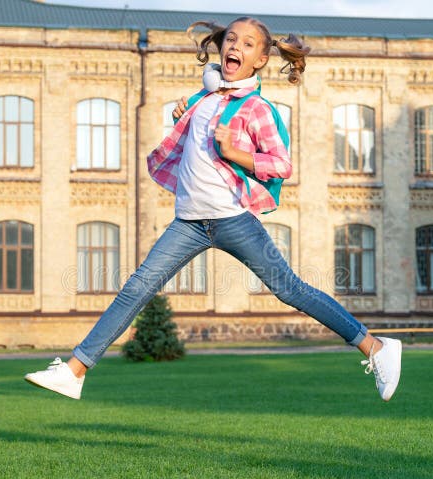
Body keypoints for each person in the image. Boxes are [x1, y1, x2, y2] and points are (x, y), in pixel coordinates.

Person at [25, 16, 402, 401]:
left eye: (248, 44)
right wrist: (182, 116)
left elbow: (281, 164)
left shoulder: (256, 108)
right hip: (189, 222)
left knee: (289, 289)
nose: (235, 46)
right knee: (136, 288)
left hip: (233, 219)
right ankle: (75, 371)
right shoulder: (204, 98)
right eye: (232, 39)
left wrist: (235, 152)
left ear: (260, 60)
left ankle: (376, 347)